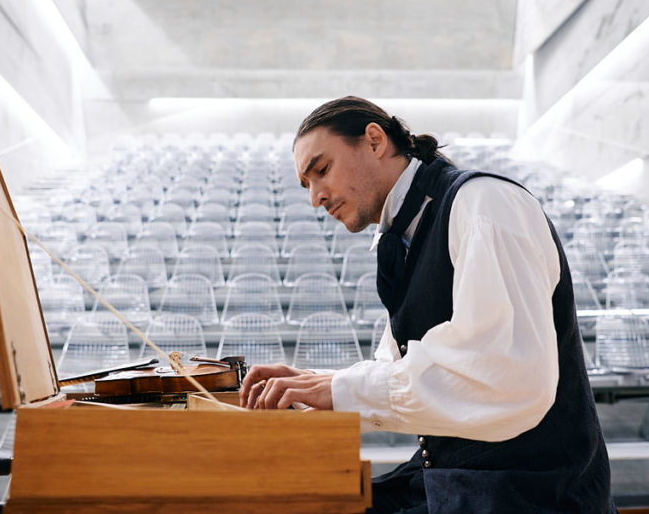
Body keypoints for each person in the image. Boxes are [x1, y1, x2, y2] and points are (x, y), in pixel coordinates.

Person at [240, 97, 616, 514]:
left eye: (322, 170)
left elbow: (505, 375)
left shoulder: (484, 205)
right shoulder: (402, 235)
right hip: (462, 482)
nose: (315, 198)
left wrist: (336, 389)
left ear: (374, 140)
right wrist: (315, 384)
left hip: (533, 494)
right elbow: (410, 370)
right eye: (306, 184)